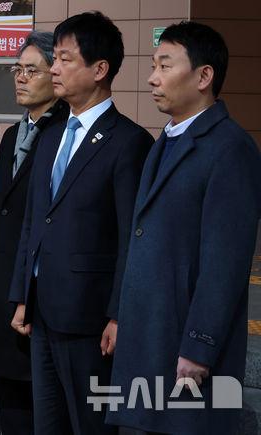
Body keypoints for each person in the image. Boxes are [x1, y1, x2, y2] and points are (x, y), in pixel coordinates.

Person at [107, 21, 261, 435]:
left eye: (165, 65)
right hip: (151, 335)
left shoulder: (230, 148)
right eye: (153, 65)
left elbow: (226, 263)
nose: (152, 78)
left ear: (203, 76)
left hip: (186, 347)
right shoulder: (167, 139)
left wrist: (199, 345)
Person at [7, 12, 153, 435]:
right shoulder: (51, 134)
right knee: (47, 425)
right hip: (42, 313)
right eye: (55, 59)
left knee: (91, 425)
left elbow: (131, 239)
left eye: (65, 59)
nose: (53, 68)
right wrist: (22, 295)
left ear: (100, 69)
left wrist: (118, 315)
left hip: (91, 320)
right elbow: (34, 221)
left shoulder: (129, 142)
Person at [0, 31, 68, 435]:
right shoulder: (13, 134)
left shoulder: (66, 132)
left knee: (40, 406)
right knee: (9, 403)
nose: (21, 78)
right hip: (1, 283)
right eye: (17, 69)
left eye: (32, 70)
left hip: (37, 291)